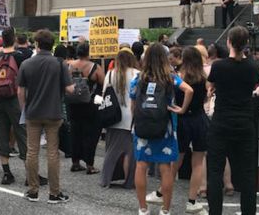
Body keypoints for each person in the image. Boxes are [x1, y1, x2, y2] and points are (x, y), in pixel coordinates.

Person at [206, 26, 259, 215]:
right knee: (248, 174)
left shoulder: (218, 66)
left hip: (221, 121)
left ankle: (215, 211)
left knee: (215, 171)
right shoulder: (253, 66)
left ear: (228, 42)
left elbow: (211, 86)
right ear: (246, 44)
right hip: (244, 122)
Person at [133, 44, 194, 215]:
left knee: (141, 165)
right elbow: (189, 90)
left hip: (142, 127)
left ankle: (143, 208)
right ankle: (165, 210)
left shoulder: (138, 79)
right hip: (165, 128)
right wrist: (181, 109)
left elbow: (133, 105)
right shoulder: (170, 78)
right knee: (165, 167)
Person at [151, 46, 210, 214]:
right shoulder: (203, 77)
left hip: (183, 120)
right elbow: (204, 98)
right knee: (198, 162)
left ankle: (161, 191)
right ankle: (192, 201)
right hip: (199, 119)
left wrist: (182, 108)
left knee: (176, 161)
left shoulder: (179, 77)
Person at [18, 30, 74, 204]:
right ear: (52, 45)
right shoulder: (59, 64)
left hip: (32, 113)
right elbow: (70, 89)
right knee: (52, 153)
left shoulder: (27, 64)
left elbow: (20, 91)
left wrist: (24, 109)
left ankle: (33, 190)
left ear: (36, 44)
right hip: (53, 112)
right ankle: (54, 193)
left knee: (32, 151)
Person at [0, 27, 30, 185]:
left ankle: (6, 173)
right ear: (14, 39)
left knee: (1, 134)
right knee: (22, 134)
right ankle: (30, 175)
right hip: (15, 99)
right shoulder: (20, 57)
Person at [100, 49, 138, 189]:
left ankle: (106, 180)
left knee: (112, 150)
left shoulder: (110, 74)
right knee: (130, 152)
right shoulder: (136, 74)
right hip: (131, 117)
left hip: (113, 115)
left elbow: (104, 94)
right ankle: (129, 181)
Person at [67, 43, 104, 175]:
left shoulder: (70, 66)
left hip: (73, 103)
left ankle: (75, 162)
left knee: (75, 132)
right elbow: (103, 84)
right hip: (90, 104)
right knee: (91, 134)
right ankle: (90, 164)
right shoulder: (95, 67)